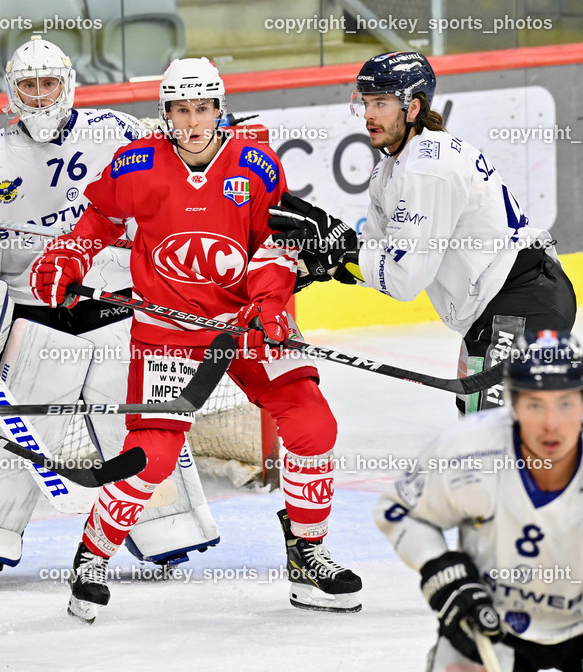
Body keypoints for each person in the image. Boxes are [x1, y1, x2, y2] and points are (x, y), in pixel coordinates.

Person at [29, 57, 362, 622]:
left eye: (202, 107)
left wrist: (272, 303)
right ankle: (92, 556)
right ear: (165, 113)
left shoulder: (255, 163)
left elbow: (272, 246)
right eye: (181, 109)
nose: (193, 119)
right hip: (168, 333)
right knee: (152, 457)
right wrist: (66, 256)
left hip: (248, 323)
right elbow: (99, 224)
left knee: (311, 423)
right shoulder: (136, 164)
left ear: (219, 108)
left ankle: (308, 554)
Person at [0, 36, 221, 588]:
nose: (40, 98)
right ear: (10, 94)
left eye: (50, 85)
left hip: (119, 315)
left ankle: (170, 528)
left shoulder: (118, 134)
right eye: (28, 87)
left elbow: (165, 202)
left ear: (69, 87)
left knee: (143, 424)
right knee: (17, 434)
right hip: (36, 320)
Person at [267, 51, 576, 413]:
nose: (369, 115)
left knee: (493, 437)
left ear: (412, 108)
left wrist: (341, 248)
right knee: (487, 430)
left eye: (381, 103)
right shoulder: (391, 170)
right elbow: (383, 257)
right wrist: (328, 264)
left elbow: (404, 278)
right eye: (365, 102)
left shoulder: (427, 169)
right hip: (500, 308)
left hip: (521, 303)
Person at [375, 329, 583, 671]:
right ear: (512, 402)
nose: (551, 424)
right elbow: (400, 510)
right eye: (534, 404)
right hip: (489, 620)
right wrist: (441, 571)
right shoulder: (470, 447)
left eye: (565, 404)